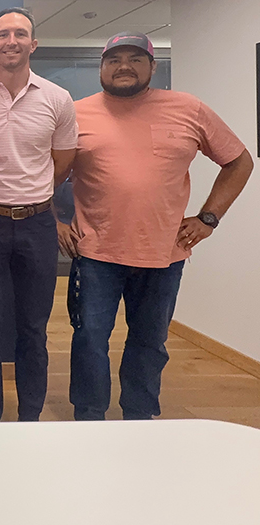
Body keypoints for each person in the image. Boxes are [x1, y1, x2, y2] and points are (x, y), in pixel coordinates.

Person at [58, 32, 253, 420]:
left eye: (135, 59)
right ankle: (88, 419)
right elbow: (40, 172)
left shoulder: (189, 109)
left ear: (153, 66)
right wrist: (57, 221)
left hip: (164, 254)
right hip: (95, 252)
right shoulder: (76, 113)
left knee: (149, 342)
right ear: (101, 67)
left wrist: (209, 218)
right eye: (114, 60)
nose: (124, 66)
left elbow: (239, 161)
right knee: (90, 340)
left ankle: (140, 418)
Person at [0, 8, 77, 422]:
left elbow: (63, 161)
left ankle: (30, 421)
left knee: (34, 329)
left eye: (20, 34)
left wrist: (32, 193)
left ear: (33, 44)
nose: (12, 41)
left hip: (37, 225)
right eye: (3, 34)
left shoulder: (57, 99)